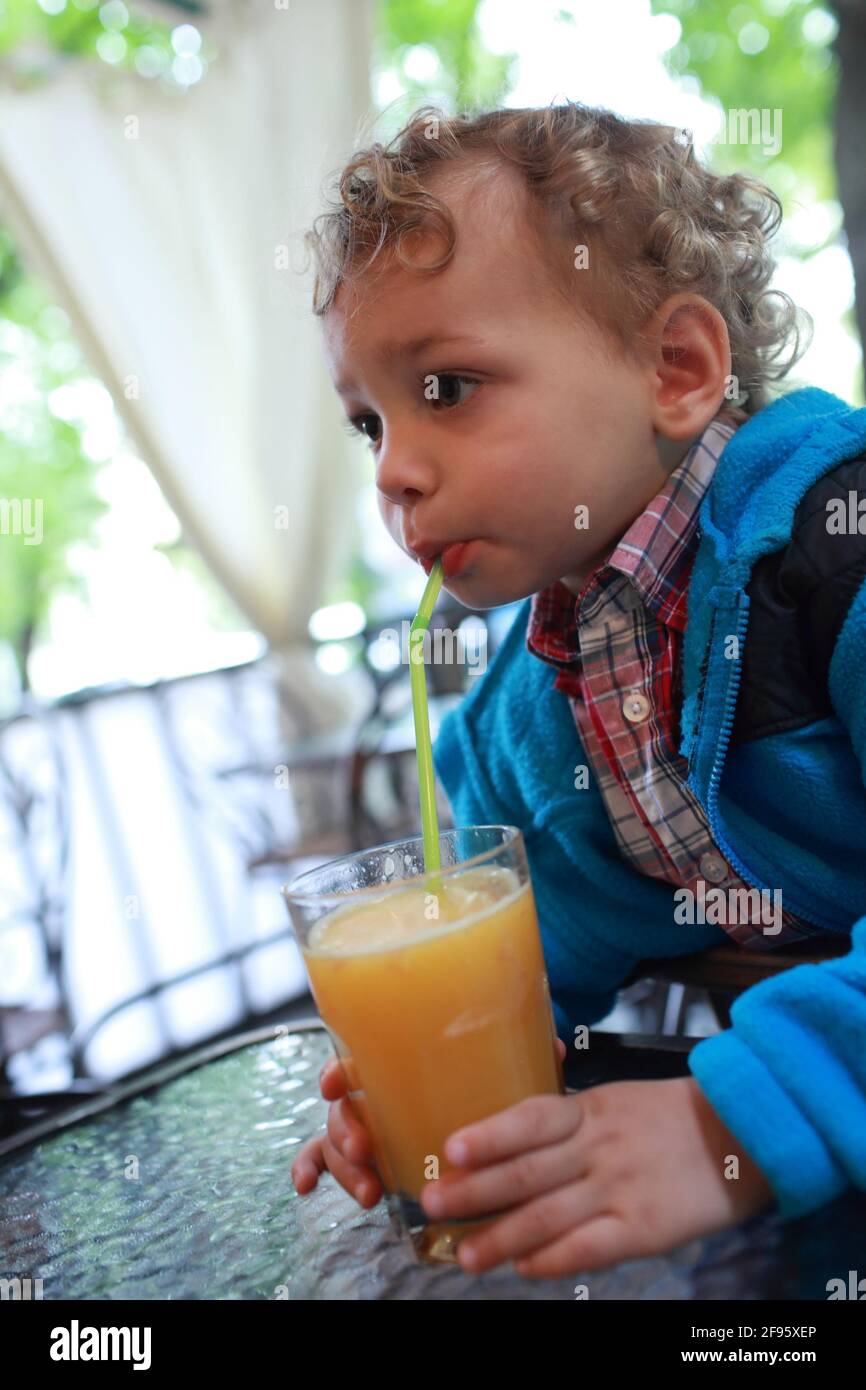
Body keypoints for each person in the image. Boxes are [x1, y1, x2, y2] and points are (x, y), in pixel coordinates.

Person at [290, 101, 866, 1278]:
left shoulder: (830, 549)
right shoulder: (523, 718)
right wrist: (434, 1082)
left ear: (675, 370)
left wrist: (728, 1125)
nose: (394, 469)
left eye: (445, 387)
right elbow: (531, 959)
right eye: (368, 424)